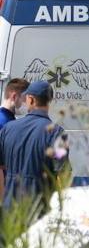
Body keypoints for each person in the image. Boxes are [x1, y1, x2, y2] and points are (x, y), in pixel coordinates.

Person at [0, 80, 70, 217]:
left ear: (31, 99)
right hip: (39, 212)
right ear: (49, 102)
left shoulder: (8, 129)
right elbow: (63, 174)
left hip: (9, 212)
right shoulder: (57, 133)